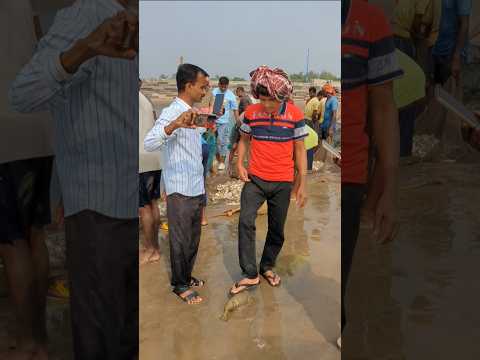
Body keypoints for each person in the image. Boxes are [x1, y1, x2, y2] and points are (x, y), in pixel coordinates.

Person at [9, 1, 140, 358]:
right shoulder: (96, 18)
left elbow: (21, 94)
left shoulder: (104, 18)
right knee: (115, 333)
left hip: (110, 209)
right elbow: (24, 94)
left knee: (112, 335)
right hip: (107, 206)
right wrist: (82, 50)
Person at [340, 0, 402, 349]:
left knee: (338, 301)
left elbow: (383, 107)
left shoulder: (371, 21)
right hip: (310, 176)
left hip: (350, 178)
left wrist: (389, 190)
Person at [1, 1, 54, 358]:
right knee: (34, 233)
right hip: (38, 127)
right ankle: (41, 334)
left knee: (11, 241)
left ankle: (29, 340)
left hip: (6, 134)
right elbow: (39, 43)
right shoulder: (22, 5)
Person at [229, 66, 308, 296]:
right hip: (255, 179)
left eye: (271, 101)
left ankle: (267, 266)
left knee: (277, 229)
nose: (266, 105)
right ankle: (250, 274)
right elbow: (244, 140)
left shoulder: (295, 115)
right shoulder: (252, 113)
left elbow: (300, 150)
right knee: (245, 220)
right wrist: (240, 163)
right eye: (262, 99)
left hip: (283, 181)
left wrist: (302, 182)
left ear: (282, 97)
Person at [144, 63, 210, 305]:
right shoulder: (172, 112)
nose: (205, 91)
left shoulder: (192, 111)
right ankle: (179, 285)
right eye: (203, 86)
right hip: (179, 188)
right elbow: (150, 142)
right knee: (180, 239)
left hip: (195, 186)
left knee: (193, 237)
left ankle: (187, 275)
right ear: (188, 85)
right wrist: (174, 125)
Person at [139, 79, 162, 265]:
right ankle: (155, 247)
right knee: (153, 204)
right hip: (154, 157)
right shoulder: (145, 101)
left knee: (144, 207)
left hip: (141, 159)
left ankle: (149, 249)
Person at [432, 0, 471, 85]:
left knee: (449, 94)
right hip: (438, 49)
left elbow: (464, 24)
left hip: (451, 53)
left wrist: (456, 57)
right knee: (437, 91)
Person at [210, 76, 239, 171]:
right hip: (212, 121)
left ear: (227, 86)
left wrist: (238, 121)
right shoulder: (214, 92)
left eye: (225, 87)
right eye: (221, 86)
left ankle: (222, 162)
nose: (223, 88)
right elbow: (211, 107)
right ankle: (217, 159)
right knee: (214, 142)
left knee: (222, 142)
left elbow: (235, 109)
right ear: (219, 84)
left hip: (224, 122)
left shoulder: (231, 95)